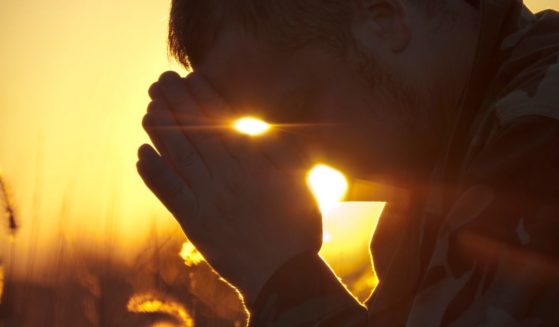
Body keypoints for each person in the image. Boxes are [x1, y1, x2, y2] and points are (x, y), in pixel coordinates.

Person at [136, 0, 559, 325]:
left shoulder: (540, 129)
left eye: (300, 105)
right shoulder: (438, 178)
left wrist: (281, 275)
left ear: (385, 18)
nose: (298, 162)